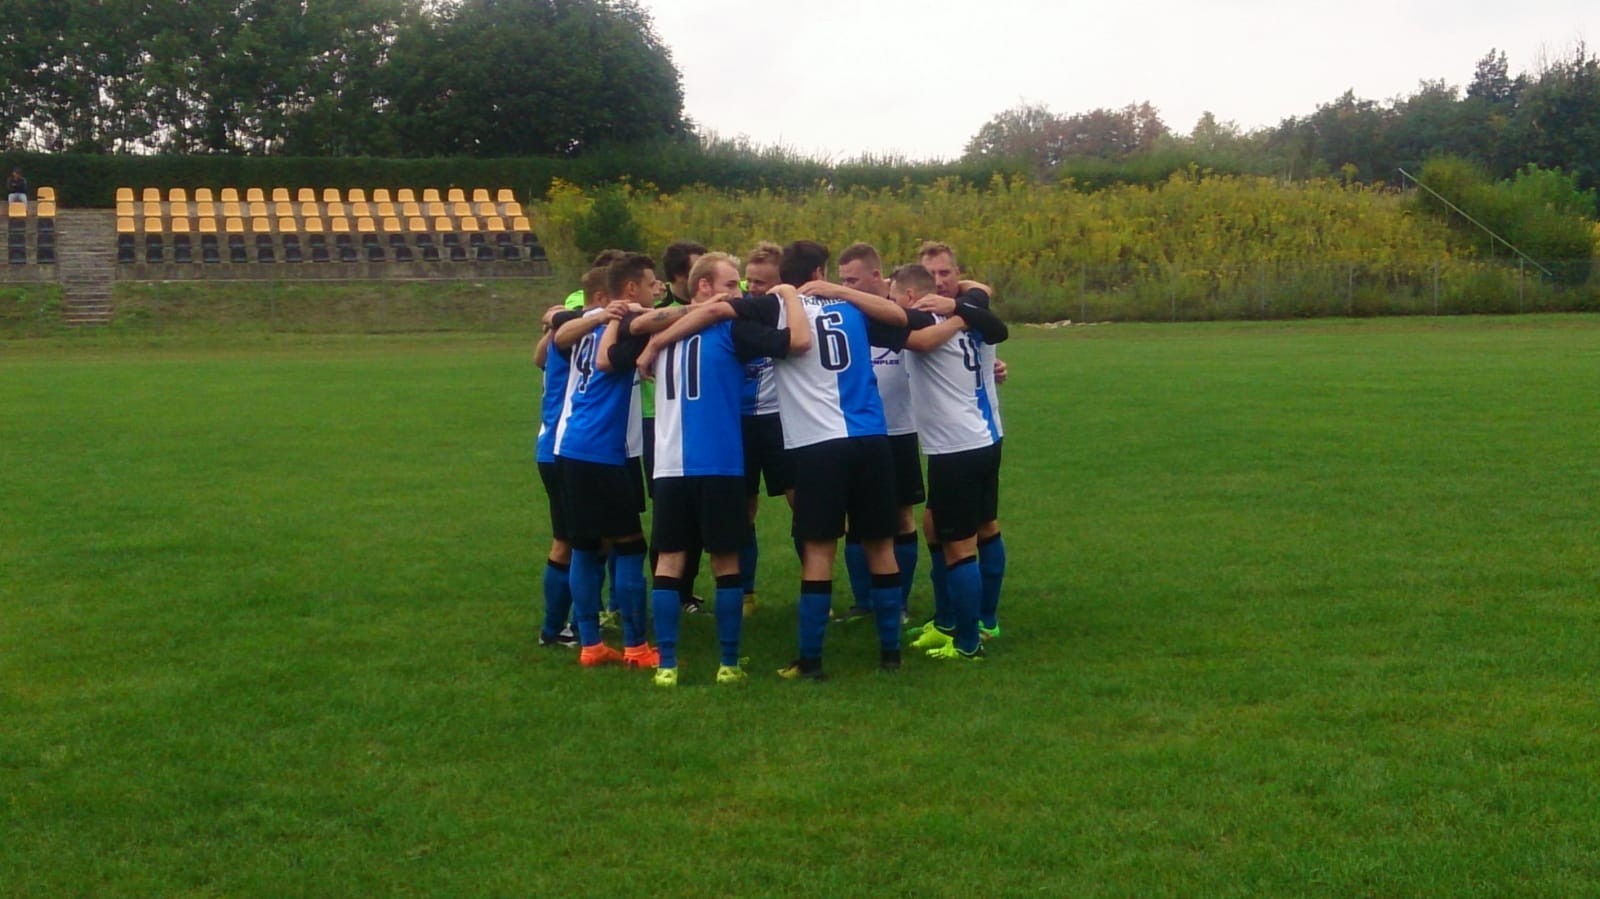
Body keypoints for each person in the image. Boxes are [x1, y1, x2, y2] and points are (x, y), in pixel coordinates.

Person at [657, 240, 911, 678]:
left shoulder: (774, 306)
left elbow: (715, 313)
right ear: (820, 272)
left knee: (818, 550)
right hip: (871, 438)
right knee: (881, 546)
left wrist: (654, 344)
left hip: (817, 445)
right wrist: (845, 291)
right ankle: (891, 655)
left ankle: (811, 660)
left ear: (782, 278)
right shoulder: (852, 307)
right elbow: (902, 319)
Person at [632, 253, 799, 686]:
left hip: (669, 466)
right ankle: (728, 662)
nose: (737, 293)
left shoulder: (661, 331)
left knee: (670, 560)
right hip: (720, 463)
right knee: (726, 561)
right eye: (729, 285)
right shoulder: (731, 329)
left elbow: (634, 328)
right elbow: (792, 343)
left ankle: (668, 665)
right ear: (703, 286)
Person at [887, 264, 1009, 661]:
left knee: (960, 546)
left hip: (957, 447)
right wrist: (962, 309)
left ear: (909, 296)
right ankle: (949, 621)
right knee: (936, 525)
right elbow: (981, 291)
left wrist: (955, 311)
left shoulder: (928, 323)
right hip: (978, 439)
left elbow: (923, 341)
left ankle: (969, 642)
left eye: (894, 296)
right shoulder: (975, 314)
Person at [549, 253, 662, 669]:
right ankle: (636, 647)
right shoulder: (625, 325)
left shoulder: (587, 323)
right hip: (600, 451)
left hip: (571, 446)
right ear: (631, 289)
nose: (656, 292)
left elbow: (557, 333)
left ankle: (591, 645)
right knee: (629, 547)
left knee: (586, 546)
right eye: (651, 284)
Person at [834, 242, 922, 624]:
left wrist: (991, 367)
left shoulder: (899, 310)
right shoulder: (843, 313)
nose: (846, 287)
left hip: (899, 428)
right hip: (855, 430)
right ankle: (864, 602)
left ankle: (898, 602)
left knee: (901, 516)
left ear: (876, 276)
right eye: (842, 280)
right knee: (856, 518)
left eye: (852, 280)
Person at [532, 266, 610, 648]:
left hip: (554, 446)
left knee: (591, 540)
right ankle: (558, 629)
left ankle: (577, 623)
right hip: (563, 448)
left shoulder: (565, 331)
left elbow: (539, 354)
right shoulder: (579, 333)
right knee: (571, 542)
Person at [644, 240, 710, 615]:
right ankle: (669, 591)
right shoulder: (660, 313)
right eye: (697, 269)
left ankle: (684, 589)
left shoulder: (714, 307)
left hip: (701, 422)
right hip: (659, 424)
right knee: (668, 515)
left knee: (699, 514)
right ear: (679, 277)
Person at [735, 241, 794, 616]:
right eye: (750, 281)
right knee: (743, 508)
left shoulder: (793, 313)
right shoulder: (736, 311)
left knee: (802, 503)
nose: (753, 289)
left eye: (762, 283)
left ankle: (815, 586)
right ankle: (746, 594)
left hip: (781, 421)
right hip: (738, 421)